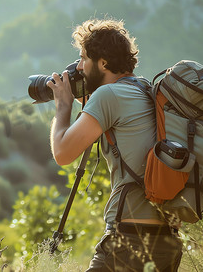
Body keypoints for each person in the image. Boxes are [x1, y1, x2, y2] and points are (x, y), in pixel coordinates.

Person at [46, 18, 183, 271]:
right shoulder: (144, 90)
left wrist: (63, 106)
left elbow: (63, 153)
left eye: (84, 58)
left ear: (103, 63)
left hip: (129, 241)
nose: (79, 66)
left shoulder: (108, 96)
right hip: (167, 242)